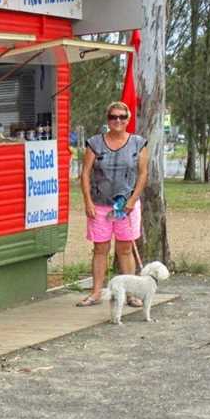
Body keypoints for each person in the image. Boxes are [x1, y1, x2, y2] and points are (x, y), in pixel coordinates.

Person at [76, 101, 149, 307]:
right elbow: (85, 174)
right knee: (100, 248)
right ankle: (97, 291)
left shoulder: (138, 143)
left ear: (128, 120)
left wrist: (133, 200)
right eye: (113, 117)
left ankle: (131, 293)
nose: (117, 121)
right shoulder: (95, 143)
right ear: (107, 119)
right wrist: (88, 202)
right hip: (100, 204)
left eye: (122, 117)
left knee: (125, 249)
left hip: (126, 206)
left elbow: (143, 173)